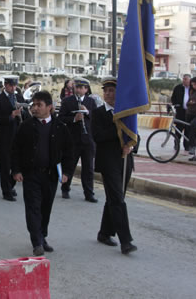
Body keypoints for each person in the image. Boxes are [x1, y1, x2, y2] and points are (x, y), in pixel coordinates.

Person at [11, 91, 74, 256]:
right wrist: (16, 170)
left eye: (39, 105)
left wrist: (66, 172)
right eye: (34, 105)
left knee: (46, 208)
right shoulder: (25, 126)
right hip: (31, 174)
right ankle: (36, 241)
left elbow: (69, 152)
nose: (35, 108)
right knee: (33, 208)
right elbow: (16, 149)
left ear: (50, 107)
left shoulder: (60, 127)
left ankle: (42, 236)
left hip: (51, 175)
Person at [92, 77, 137, 255]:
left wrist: (131, 145)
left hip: (125, 160)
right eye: (106, 91)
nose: (109, 94)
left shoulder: (127, 114)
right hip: (108, 161)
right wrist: (118, 128)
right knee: (118, 199)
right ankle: (126, 240)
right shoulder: (99, 113)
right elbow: (98, 136)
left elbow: (135, 136)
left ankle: (104, 233)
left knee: (114, 198)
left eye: (112, 90)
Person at [58, 77, 98, 202]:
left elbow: (97, 119)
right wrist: (74, 119)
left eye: (81, 88)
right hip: (72, 139)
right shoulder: (67, 101)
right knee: (69, 165)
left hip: (88, 139)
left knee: (88, 168)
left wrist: (88, 113)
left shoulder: (91, 102)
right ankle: (65, 188)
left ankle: (89, 193)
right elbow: (61, 119)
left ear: (86, 89)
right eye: (77, 87)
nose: (79, 90)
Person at [0, 75, 25, 202]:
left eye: (15, 85)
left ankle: (10, 185)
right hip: (4, 136)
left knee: (17, 163)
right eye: (11, 85)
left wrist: (23, 112)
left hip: (17, 135)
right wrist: (11, 116)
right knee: (5, 165)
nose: (13, 88)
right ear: (5, 85)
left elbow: (25, 114)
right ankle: (6, 191)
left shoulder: (19, 97)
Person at [171, 74, 191, 153]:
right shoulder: (178, 88)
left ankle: (187, 146)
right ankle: (176, 144)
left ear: (190, 80)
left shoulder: (192, 89)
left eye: (186, 79)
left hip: (189, 112)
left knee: (188, 129)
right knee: (178, 128)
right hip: (180, 111)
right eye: (183, 79)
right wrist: (176, 105)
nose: (184, 80)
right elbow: (173, 98)